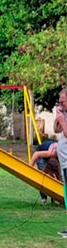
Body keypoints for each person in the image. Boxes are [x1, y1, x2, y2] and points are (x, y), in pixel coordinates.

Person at [53, 89, 67, 238]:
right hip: (64, 161)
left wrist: (62, 120)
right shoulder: (64, 114)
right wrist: (58, 117)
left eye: (63, 102)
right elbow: (56, 130)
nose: (61, 104)